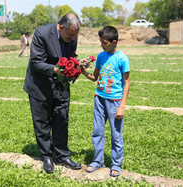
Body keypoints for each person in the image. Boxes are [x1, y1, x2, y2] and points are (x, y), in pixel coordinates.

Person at [23, 14, 82, 173]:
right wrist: (59, 70)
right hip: (40, 85)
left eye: (75, 35)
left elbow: (71, 56)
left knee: (62, 119)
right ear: (61, 27)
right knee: (42, 122)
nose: (73, 38)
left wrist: (76, 64)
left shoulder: (72, 36)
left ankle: (62, 155)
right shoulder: (41, 34)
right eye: (70, 35)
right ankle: (47, 156)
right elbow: (36, 63)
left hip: (60, 86)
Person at [81, 26, 130, 177]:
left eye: (104, 43)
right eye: (101, 42)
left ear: (114, 42)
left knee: (116, 134)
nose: (102, 45)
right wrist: (83, 70)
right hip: (99, 99)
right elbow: (95, 78)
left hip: (115, 101)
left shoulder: (122, 58)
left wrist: (122, 106)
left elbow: (127, 83)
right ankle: (98, 161)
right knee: (97, 131)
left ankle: (116, 164)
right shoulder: (101, 56)